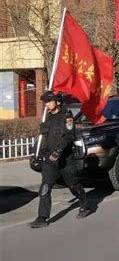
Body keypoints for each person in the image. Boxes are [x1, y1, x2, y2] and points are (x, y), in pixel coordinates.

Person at [29, 91, 90, 228]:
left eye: (49, 102)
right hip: (49, 159)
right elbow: (43, 139)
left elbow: (69, 137)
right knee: (45, 186)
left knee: (73, 184)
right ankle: (42, 218)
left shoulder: (67, 117)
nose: (47, 105)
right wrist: (38, 153)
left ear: (57, 102)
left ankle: (84, 205)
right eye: (46, 102)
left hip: (65, 158)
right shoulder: (47, 118)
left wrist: (58, 151)